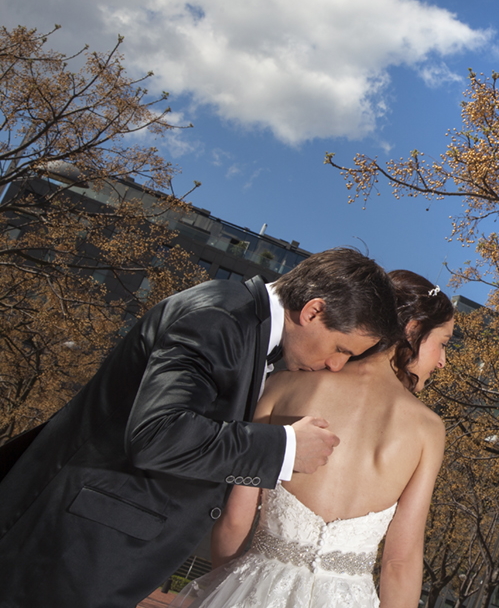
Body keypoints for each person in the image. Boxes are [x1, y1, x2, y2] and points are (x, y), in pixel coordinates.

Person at [0, 247, 401, 608]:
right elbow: (156, 434)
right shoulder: (220, 319)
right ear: (313, 311)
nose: (335, 365)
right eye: (341, 349)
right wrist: (284, 448)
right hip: (69, 548)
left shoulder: (243, 323)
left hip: (92, 547)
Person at [173, 269, 453, 608]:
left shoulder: (283, 385)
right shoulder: (428, 430)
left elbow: (235, 518)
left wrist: (227, 589)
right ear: (413, 329)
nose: (442, 361)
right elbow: (400, 562)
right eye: (443, 343)